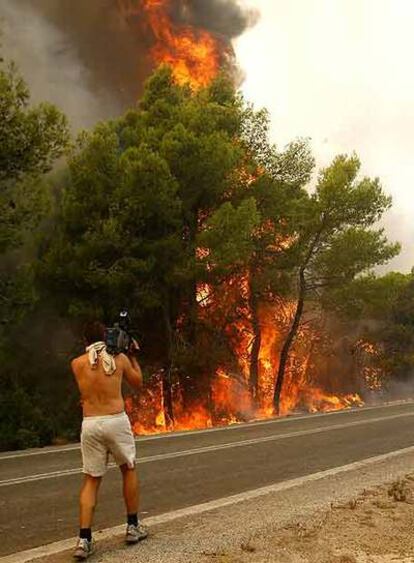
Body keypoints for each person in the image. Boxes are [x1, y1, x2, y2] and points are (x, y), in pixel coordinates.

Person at [71, 321, 147, 560]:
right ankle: (132, 526)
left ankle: (84, 539)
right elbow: (138, 382)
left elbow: (87, 391)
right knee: (128, 469)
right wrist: (133, 356)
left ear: (85, 340)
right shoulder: (120, 359)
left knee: (91, 479)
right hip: (115, 419)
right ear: (106, 336)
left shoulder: (77, 364)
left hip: (91, 423)